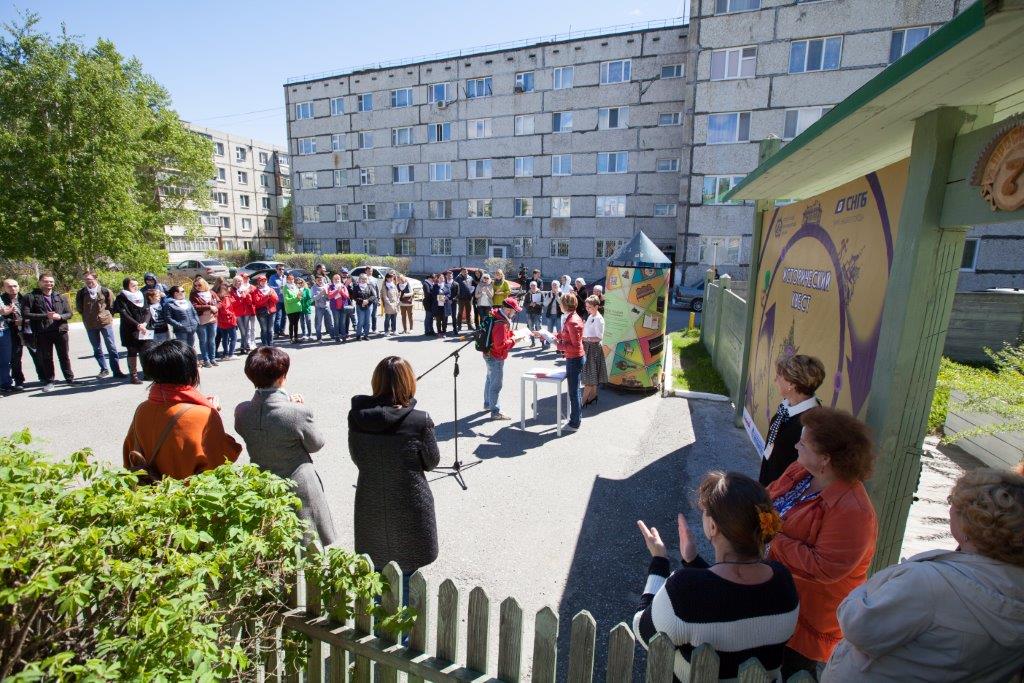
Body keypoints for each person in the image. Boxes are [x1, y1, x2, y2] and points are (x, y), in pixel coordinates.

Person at [822, 467, 1024, 682]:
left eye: (955, 503)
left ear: (970, 524)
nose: (951, 508)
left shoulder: (929, 583)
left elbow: (858, 627)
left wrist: (864, 591)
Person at [634, 472, 799, 681]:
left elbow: (644, 632)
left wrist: (659, 561)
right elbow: (736, 597)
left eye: (705, 513)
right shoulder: (783, 581)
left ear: (712, 527)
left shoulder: (684, 591)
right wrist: (693, 561)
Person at [767, 407, 878, 679]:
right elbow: (769, 497)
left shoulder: (854, 511)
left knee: (795, 672)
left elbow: (824, 567)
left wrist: (770, 537)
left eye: (803, 444)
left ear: (825, 459)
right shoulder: (801, 470)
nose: (796, 446)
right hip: (780, 595)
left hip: (808, 617)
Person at [348, 356, 441, 583]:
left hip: (371, 499)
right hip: (410, 500)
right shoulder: (419, 420)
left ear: (376, 381)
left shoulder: (358, 416)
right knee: (407, 579)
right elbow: (431, 462)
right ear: (408, 382)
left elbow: (358, 457)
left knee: (375, 579)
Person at [235, 346, 339, 546]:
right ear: (282, 377)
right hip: (299, 483)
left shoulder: (242, 411)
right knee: (309, 544)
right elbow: (316, 444)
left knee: (272, 544)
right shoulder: (297, 412)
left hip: (262, 482)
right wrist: (295, 406)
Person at [122, 340, 241, 480]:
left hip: (151, 489)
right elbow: (223, 459)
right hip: (189, 491)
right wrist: (210, 414)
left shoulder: (142, 409)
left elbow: (128, 454)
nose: (199, 367)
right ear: (188, 371)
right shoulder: (203, 415)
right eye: (197, 364)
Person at [758, 354, 826, 487]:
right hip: (769, 480)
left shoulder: (810, 423)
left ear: (791, 384)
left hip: (783, 489)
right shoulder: (787, 404)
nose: (775, 379)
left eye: (779, 376)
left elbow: (804, 470)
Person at [24, 273, 74, 393]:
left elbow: (69, 313)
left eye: (51, 281)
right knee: (46, 358)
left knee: (64, 356)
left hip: (60, 330)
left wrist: (60, 317)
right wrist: (45, 316)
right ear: (40, 282)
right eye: (46, 281)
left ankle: (70, 379)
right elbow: (26, 314)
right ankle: (50, 381)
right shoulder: (30, 297)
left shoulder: (60, 296)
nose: (49, 284)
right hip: (42, 332)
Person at [75, 272, 125, 379]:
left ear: (95, 279)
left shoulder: (105, 291)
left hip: (105, 323)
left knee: (111, 347)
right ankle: (104, 369)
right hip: (90, 324)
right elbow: (79, 308)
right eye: (85, 279)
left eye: (90, 279)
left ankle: (116, 370)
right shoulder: (81, 293)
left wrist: (106, 316)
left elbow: (112, 306)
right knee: (97, 348)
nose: (88, 281)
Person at [482, 297, 523, 421]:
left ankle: (488, 403)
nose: (515, 313)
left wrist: (512, 335)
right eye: (514, 310)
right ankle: (495, 411)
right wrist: (514, 340)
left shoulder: (496, 315)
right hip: (496, 356)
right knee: (496, 384)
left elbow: (500, 337)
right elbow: (500, 345)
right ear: (507, 309)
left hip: (488, 353)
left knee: (490, 379)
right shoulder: (501, 323)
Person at [111, 277, 152, 385]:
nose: (136, 287)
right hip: (130, 329)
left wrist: (144, 324)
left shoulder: (141, 295)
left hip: (143, 327)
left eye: (137, 285)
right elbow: (124, 314)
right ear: (127, 286)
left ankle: (147, 373)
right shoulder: (121, 297)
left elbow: (148, 311)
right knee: (132, 351)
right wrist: (137, 325)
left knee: (145, 350)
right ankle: (134, 376)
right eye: (133, 285)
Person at [554, 292, 585, 432]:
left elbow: (575, 346)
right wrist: (552, 335)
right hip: (573, 358)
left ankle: (575, 423)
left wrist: (558, 345)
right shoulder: (571, 317)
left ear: (565, 305)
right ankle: (576, 419)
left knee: (574, 392)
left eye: (561, 303)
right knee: (574, 391)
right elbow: (565, 334)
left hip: (574, 359)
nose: (559, 305)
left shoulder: (572, 321)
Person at [2, 279, 33, 391]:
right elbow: (2, 318)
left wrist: (24, 321)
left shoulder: (26, 298)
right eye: (9, 286)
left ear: (18, 286)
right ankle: (19, 381)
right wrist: (13, 322)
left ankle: (44, 377)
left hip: (28, 330)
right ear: (4, 288)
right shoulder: (2, 301)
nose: (13, 288)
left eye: (15, 286)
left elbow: (32, 313)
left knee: (37, 354)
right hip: (12, 333)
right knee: (15, 358)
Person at [581, 295, 607, 406]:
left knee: (589, 376)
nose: (587, 309)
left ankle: (582, 402)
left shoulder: (598, 319)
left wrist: (585, 338)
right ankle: (593, 396)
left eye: (590, 307)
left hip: (593, 348)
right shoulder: (591, 316)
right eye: (586, 307)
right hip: (589, 347)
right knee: (592, 374)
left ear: (596, 306)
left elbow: (599, 337)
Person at [190, 278, 220, 368]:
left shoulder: (211, 292)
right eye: (195, 285)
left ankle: (212, 358)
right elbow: (195, 306)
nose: (197, 287)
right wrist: (209, 307)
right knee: (203, 341)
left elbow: (219, 302)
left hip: (212, 320)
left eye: (199, 285)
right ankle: (206, 359)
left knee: (212, 341)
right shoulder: (193, 294)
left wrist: (216, 307)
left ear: (204, 284)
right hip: (201, 321)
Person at [232, 275, 255, 354]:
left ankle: (245, 347)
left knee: (247, 330)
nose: (239, 283)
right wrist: (241, 298)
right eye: (237, 281)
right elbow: (233, 303)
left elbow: (250, 302)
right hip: (238, 313)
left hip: (246, 312)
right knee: (243, 331)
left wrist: (247, 295)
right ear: (234, 282)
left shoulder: (244, 289)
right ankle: (244, 346)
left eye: (240, 281)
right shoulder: (232, 290)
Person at [214, 283, 238, 360]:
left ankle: (225, 354)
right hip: (229, 321)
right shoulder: (225, 298)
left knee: (225, 338)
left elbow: (233, 302)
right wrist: (233, 315)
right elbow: (226, 310)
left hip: (221, 321)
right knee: (233, 338)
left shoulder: (217, 299)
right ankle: (230, 354)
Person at [328, 273, 352, 342]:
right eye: (335, 279)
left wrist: (341, 291)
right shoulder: (330, 286)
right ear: (332, 280)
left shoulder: (343, 286)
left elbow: (347, 296)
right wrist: (337, 291)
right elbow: (330, 296)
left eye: (338, 279)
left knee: (343, 322)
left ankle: (343, 336)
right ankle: (337, 337)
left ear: (340, 279)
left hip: (343, 307)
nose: (337, 280)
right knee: (336, 322)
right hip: (335, 307)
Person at [352, 273, 376, 341]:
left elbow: (373, 296)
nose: (363, 280)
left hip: (368, 306)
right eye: (362, 278)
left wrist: (367, 301)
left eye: (365, 279)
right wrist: (362, 301)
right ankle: (358, 335)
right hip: (360, 306)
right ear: (359, 279)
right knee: (361, 321)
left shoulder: (370, 286)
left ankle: (366, 335)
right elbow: (354, 297)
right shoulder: (356, 287)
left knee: (368, 321)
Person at [311, 275, 335, 342]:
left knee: (330, 322)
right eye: (318, 280)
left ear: (323, 279)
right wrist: (321, 293)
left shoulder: (327, 286)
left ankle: (332, 337)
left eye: (321, 280)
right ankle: (319, 338)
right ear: (315, 280)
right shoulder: (313, 288)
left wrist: (327, 295)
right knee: (318, 323)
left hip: (327, 306)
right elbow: (313, 298)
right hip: (319, 307)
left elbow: (330, 297)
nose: (320, 281)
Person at [542, 280, 563, 350]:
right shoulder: (549, 294)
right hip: (550, 314)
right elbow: (545, 304)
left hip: (559, 315)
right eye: (553, 285)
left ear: (558, 286)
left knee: (559, 331)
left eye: (555, 285)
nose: (554, 286)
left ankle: (560, 346)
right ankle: (548, 343)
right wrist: (550, 298)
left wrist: (557, 297)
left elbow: (562, 304)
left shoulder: (561, 294)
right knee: (549, 330)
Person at [282, 274, 302, 344]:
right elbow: (287, 300)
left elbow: (299, 296)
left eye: (292, 279)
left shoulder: (295, 286)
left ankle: (296, 337)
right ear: (287, 280)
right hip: (290, 309)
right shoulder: (285, 288)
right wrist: (296, 298)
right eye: (289, 279)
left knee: (296, 324)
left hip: (298, 308)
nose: (291, 280)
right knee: (291, 323)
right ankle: (291, 338)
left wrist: (300, 297)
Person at [268, 264, 287, 337]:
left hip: (285, 300)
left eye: (283, 269)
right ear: (276, 270)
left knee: (284, 317)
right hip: (277, 300)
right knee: (278, 317)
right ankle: (276, 332)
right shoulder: (273, 277)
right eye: (279, 269)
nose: (281, 270)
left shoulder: (285, 277)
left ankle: (282, 331)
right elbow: (270, 287)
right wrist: (279, 288)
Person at [455, 268, 474, 332]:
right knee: (460, 312)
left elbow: (473, 286)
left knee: (468, 312)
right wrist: (457, 296)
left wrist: (471, 294)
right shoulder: (458, 279)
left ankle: (469, 326)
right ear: (461, 272)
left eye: (466, 271)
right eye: (463, 272)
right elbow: (455, 287)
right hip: (461, 298)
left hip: (468, 298)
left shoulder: (470, 278)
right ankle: (459, 326)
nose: (465, 273)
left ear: (467, 272)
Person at [525, 281, 544, 348]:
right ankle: (533, 342)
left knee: (539, 327)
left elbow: (543, 303)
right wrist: (530, 304)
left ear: (536, 286)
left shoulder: (540, 293)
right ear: (530, 286)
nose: (533, 287)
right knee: (531, 328)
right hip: (529, 313)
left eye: (534, 285)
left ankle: (542, 342)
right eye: (532, 285)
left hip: (538, 313)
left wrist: (536, 304)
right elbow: (525, 304)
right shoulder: (528, 294)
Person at [381, 272, 399, 336]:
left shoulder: (393, 284)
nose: (391, 279)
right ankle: (386, 331)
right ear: (387, 278)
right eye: (390, 277)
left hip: (395, 304)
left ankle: (394, 330)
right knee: (387, 319)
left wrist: (397, 301)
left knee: (394, 319)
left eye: (392, 277)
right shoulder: (385, 286)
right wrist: (389, 304)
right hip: (388, 305)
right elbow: (385, 296)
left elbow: (397, 294)